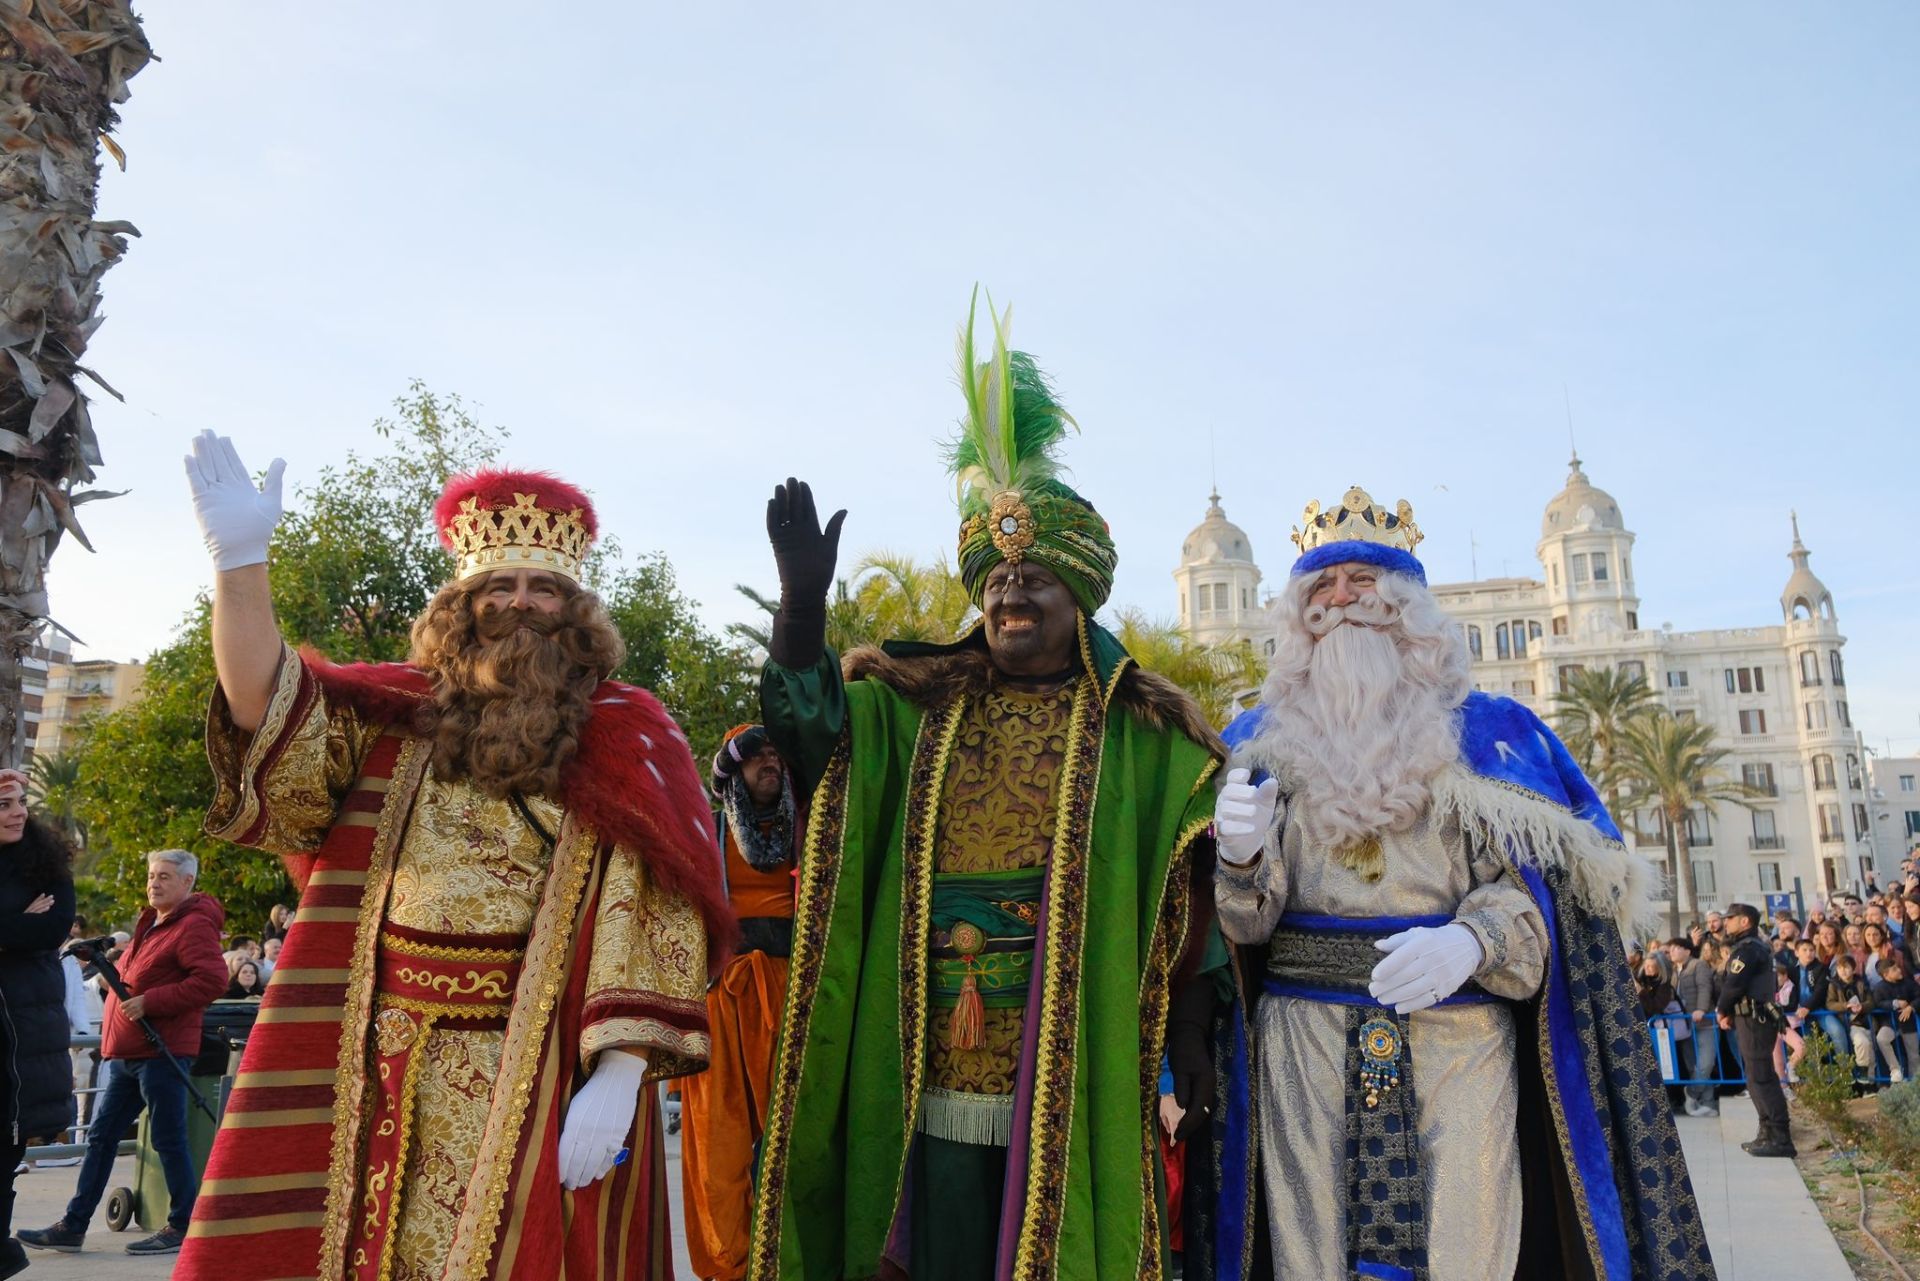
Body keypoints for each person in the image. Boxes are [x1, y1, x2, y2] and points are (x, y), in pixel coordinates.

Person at [170, 434, 729, 1281]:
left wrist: (619, 1073)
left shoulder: (632, 728)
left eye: (544, 587)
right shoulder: (391, 713)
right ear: (461, 601)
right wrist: (240, 565)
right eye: (497, 585)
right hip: (384, 1051)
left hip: (542, 1056)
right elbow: (263, 707)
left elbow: (661, 897)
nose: (519, 602)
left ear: (574, 609)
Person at [747, 298, 1226, 1280]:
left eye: (1034, 584)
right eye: (996, 586)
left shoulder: (1141, 732)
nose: (1010, 599)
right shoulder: (911, 704)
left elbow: (1195, 892)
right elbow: (810, 735)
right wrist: (800, 614)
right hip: (921, 1044)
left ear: (1078, 599)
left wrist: (1194, 1046)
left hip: (1070, 1051)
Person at [1211, 487, 1711, 1280]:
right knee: (1310, 1255)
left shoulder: (1492, 735)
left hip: (1458, 1037)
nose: (1341, 602)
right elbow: (1241, 930)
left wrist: (1473, 939)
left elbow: (1550, 903)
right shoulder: (1252, 745)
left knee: (1467, 1248)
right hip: (1303, 1046)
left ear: (1406, 603)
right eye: (1322, 587)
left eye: (1362, 583)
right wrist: (1238, 859)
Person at [21, 849, 228, 1257]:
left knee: (168, 1141)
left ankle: (182, 1224)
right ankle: (73, 1225)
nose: (154, 883)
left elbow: (212, 980)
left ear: (187, 883)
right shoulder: (154, 925)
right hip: (131, 1054)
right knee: (100, 1139)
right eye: (152, 875)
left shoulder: (193, 926)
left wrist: (151, 1002)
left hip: (162, 1052)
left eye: (165, 876)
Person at [679, 725, 799, 1281]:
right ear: (734, 771)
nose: (768, 763)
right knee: (719, 1145)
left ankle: (790, 1261)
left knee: (795, 1139)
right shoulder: (706, 831)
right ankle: (729, 1267)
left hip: (796, 993)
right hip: (722, 994)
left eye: (775, 755)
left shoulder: (815, 828)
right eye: (756, 757)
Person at [0, 769, 79, 1279]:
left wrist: (21, 928)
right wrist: (15, 924)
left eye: (21, 801)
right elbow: (26, 930)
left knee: (5, 1158)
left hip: (22, 1040)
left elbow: (51, 930)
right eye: (5, 803)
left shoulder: (46, 866)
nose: (19, 811)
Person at [1717, 902, 1793, 1157]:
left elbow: (1734, 984)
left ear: (1745, 921)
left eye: (1731, 918)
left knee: (1761, 1077)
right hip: (1751, 1017)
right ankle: (1767, 1132)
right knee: (1756, 1077)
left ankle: (1779, 1137)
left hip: (1754, 1017)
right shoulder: (1751, 947)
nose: (1726, 922)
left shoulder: (1749, 950)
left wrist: (1722, 1010)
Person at [1679, 936, 1725, 1116]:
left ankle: (1691, 1093)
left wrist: (1701, 1008)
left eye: (1677, 948)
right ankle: (1708, 1102)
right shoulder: (1674, 970)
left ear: (1688, 951)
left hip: (1705, 1022)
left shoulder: (1698, 965)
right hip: (1684, 1025)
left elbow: (1704, 987)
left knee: (1706, 1063)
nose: (1673, 951)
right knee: (1694, 1066)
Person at [1870, 953, 1919, 1082]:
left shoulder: (1908, 983)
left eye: (1898, 967)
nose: (1899, 970)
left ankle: (1915, 1083)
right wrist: (1895, 1003)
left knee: (1913, 1054)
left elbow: (1918, 996)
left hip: (1908, 1024)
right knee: (1881, 1039)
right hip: (1890, 1023)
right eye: (1894, 969)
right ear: (1886, 975)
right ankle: (1895, 1069)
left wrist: (1911, 1007)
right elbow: (1877, 1002)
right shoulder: (1880, 987)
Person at [1826, 954, 1875, 1076]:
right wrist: (1845, 1006)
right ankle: (1862, 1078)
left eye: (1846, 967)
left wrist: (1862, 1007)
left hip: (1865, 1021)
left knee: (1871, 1051)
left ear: (1853, 969)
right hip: (1848, 1022)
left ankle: (1871, 1082)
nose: (1843, 971)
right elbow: (1830, 1004)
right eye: (1840, 968)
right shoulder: (1833, 984)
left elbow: (1871, 1001)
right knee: (1861, 1042)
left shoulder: (1861, 982)